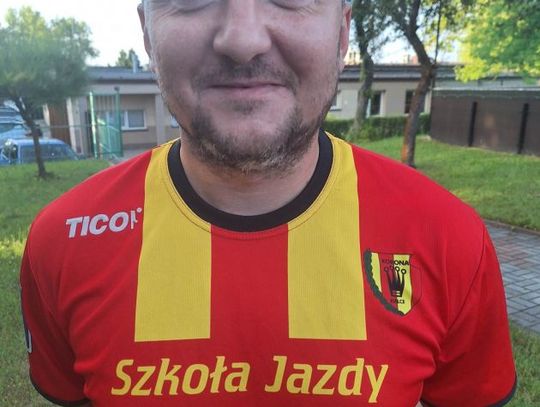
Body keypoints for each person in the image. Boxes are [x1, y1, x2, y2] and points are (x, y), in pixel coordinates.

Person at [20, 1, 516, 406]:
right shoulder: (62, 241)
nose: (242, 39)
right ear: (148, 35)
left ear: (342, 33)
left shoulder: (450, 237)